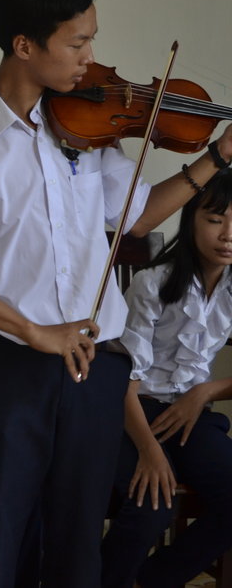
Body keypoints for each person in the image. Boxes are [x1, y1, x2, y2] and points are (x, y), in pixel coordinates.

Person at [0, 0, 232, 588]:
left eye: (92, 40)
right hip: (15, 368)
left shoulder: (86, 131)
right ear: (24, 45)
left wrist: (215, 157)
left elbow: (135, 218)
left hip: (99, 365)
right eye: (77, 42)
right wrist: (34, 330)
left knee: (79, 536)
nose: (90, 58)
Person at [101, 170, 232, 588]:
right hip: (130, 414)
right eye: (215, 219)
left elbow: (201, 392)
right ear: (192, 218)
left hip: (191, 414)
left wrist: (206, 392)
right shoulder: (151, 284)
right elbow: (121, 380)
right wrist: (149, 450)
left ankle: (152, 581)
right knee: (152, 507)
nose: (228, 234)